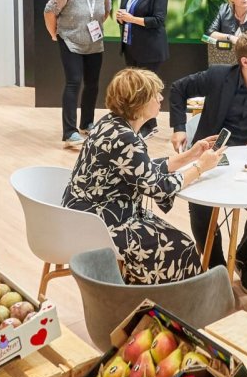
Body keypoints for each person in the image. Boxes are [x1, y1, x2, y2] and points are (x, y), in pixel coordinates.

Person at [62, 68, 222, 285]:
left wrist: (190, 156)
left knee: (180, 242)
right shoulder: (126, 139)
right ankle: (166, 306)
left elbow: (141, 170)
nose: (160, 98)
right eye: (155, 94)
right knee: (182, 248)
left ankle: (146, 295)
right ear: (140, 102)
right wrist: (200, 168)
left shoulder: (110, 123)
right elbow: (157, 187)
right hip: (101, 223)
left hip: (86, 212)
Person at [165, 30, 247, 295]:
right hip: (214, 153)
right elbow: (178, 89)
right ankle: (217, 267)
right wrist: (179, 127)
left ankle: (244, 258)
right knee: (200, 207)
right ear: (245, 61)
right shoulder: (217, 76)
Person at [43, 0, 112, 147]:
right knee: (74, 82)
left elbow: (104, 12)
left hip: (94, 42)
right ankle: (69, 133)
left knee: (92, 84)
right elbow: (49, 10)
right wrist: (54, 34)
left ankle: (87, 123)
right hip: (70, 41)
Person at [116, 0, 169, 70]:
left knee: (146, 86)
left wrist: (132, 19)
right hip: (130, 47)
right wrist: (120, 18)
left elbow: (158, 20)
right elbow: (125, 13)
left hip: (149, 50)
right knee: (132, 86)